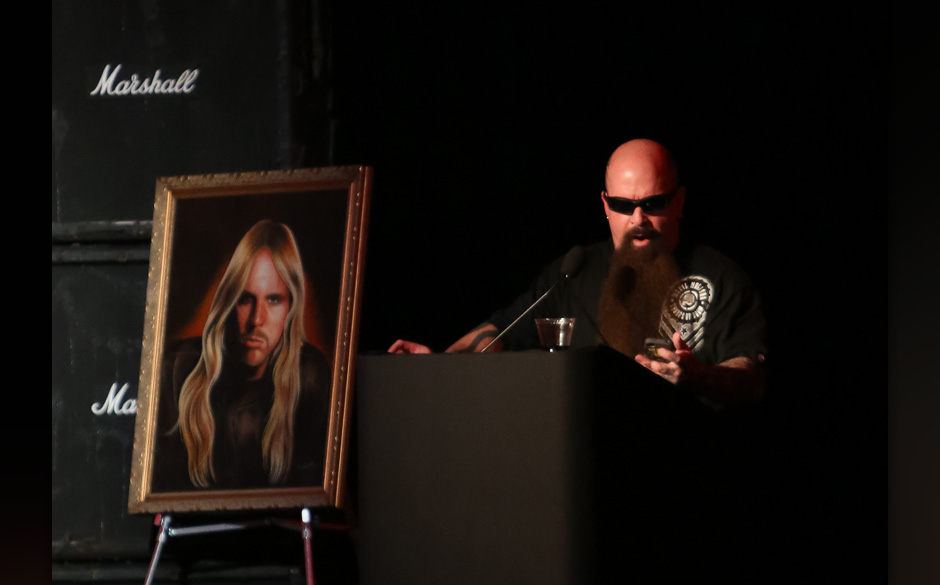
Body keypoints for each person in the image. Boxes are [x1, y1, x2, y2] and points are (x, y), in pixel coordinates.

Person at [389, 138, 767, 405]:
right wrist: (439, 364)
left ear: (679, 201)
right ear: (605, 204)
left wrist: (698, 375)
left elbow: (751, 377)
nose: (638, 218)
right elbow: (503, 331)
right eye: (622, 204)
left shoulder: (721, 276)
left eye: (653, 203)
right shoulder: (574, 270)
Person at [152, 220, 332, 491]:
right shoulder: (179, 367)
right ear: (228, 302)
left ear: (291, 308)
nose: (256, 320)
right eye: (245, 299)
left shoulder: (309, 376)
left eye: (273, 300)